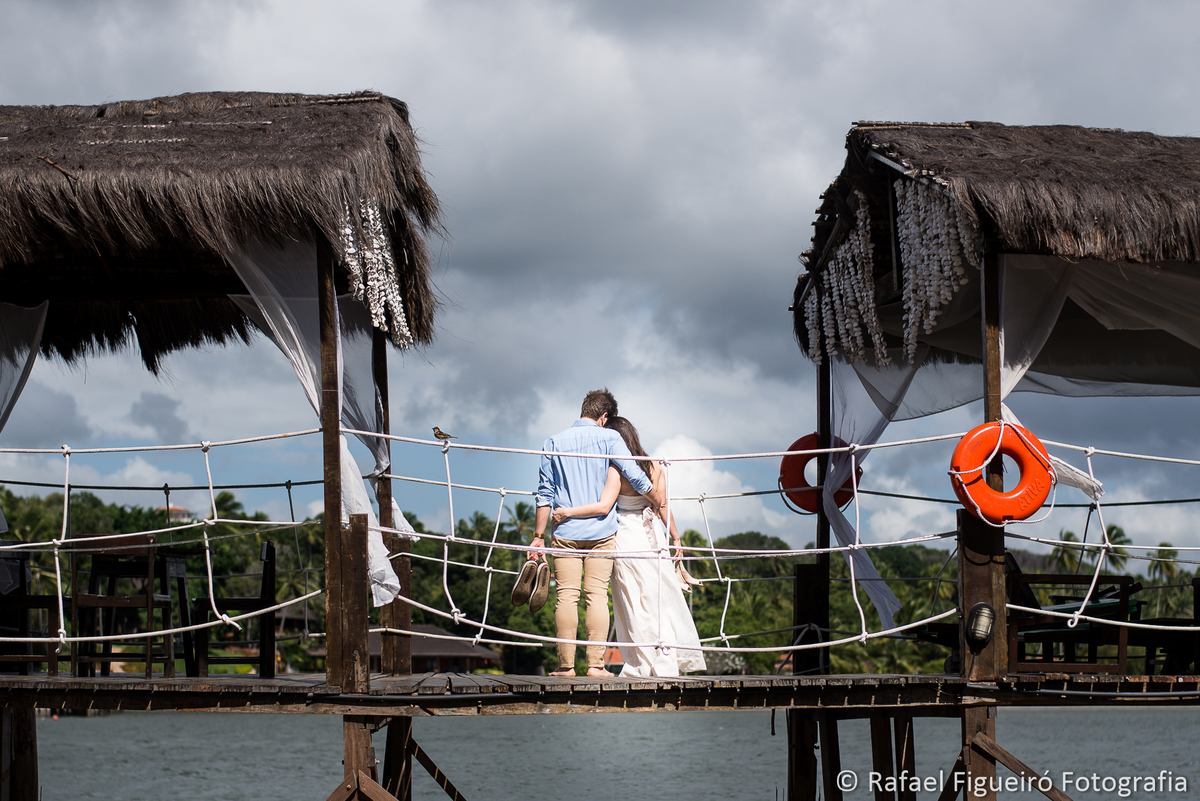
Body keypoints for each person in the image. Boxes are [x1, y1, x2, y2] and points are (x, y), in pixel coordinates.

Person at [553, 416, 706, 677]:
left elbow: (604, 506)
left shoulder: (616, 468)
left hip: (626, 534)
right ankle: (666, 656)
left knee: (632, 599)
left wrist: (567, 512)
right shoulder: (655, 465)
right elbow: (663, 506)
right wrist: (676, 537)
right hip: (653, 536)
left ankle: (642, 660)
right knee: (659, 596)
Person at [530, 389, 661, 678]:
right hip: (601, 532)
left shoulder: (553, 441)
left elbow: (544, 494)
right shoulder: (610, 438)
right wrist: (656, 499)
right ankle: (596, 666)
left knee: (566, 597)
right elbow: (635, 475)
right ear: (603, 416)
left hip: (565, 531)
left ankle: (565, 666)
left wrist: (538, 536)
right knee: (597, 597)